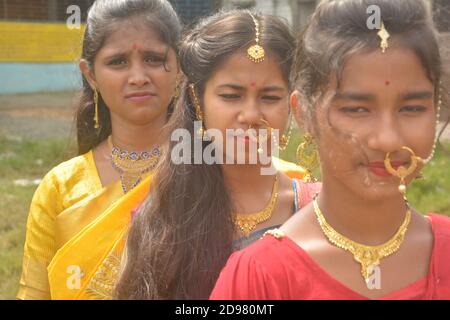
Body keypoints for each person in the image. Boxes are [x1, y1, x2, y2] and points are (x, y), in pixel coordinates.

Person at [210, 0, 450, 300]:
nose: (388, 140)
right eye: (357, 109)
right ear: (303, 114)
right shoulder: (259, 277)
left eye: (412, 108)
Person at [114, 9, 321, 300]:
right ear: (197, 101)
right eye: (231, 96)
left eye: (270, 97)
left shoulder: (319, 213)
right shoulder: (162, 218)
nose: (250, 115)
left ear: (291, 105)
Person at [17, 0, 181, 300]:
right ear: (90, 74)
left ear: (179, 67)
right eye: (118, 62)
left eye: (154, 59)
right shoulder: (61, 188)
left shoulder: (210, 170)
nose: (138, 77)